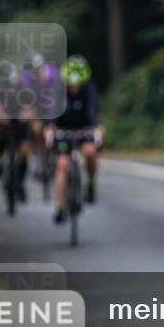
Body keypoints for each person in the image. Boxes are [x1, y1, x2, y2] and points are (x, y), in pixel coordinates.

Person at [49, 55, 102, 224]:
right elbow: (52, 115)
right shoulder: (58, 92)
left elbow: (94, 114)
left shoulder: (89, 90)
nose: (74, 87)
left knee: (90, 152)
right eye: (71, 84)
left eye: (77, 84)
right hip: (64, 131)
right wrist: (49, 128)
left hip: (84, 130)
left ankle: (91, 183)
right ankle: (60, 206)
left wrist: (97, 129)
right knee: (62, 164)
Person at [0, 65, 30, 200]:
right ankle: (0, 163)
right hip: (6, 121)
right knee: (0, 134)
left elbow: (29, 108)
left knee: (24, 151)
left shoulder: (24, 91)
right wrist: (2, 116)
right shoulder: (0, 90)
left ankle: (20, 183)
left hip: (20, 122)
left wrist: (25, 115)